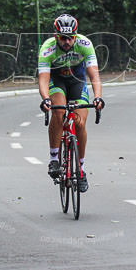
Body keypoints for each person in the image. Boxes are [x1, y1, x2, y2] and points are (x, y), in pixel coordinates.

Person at [37, 14, 105, 192]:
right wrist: (45, 99)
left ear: (76, 36)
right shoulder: (47, 48)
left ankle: (81, 170)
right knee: (58, 113)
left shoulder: (85, 44)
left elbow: (94, 75)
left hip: (77, 80)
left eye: (70, 37)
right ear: (55, 36)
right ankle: (54, 158)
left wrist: (97, 97)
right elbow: (43, 79)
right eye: (62, 38)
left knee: (79, 123)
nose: (66, 41)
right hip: (56, 80)